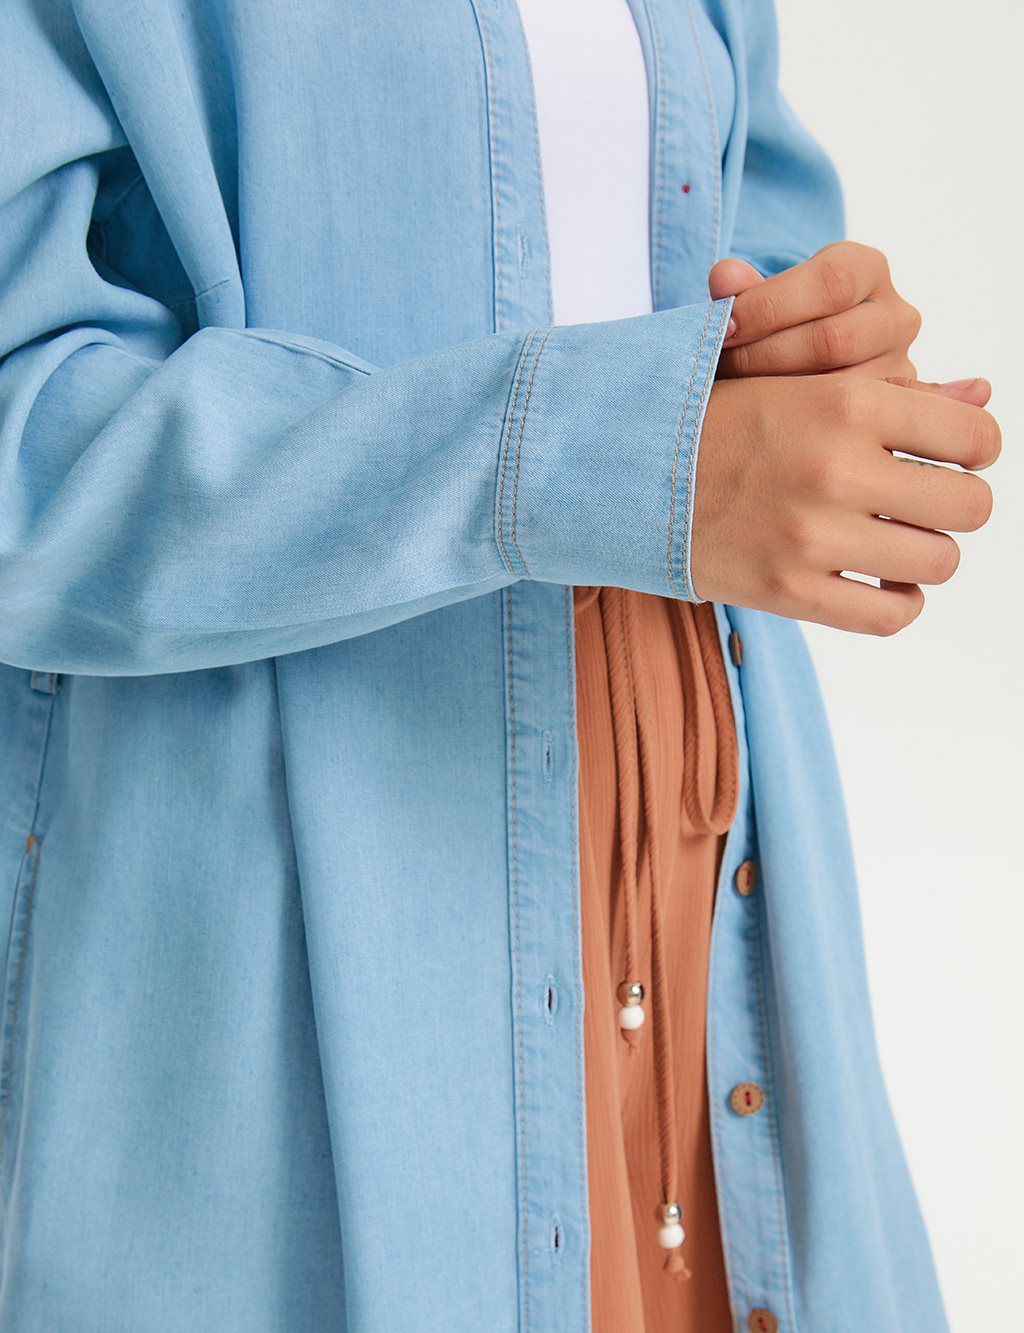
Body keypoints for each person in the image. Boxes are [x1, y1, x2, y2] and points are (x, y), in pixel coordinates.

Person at [0, 1, 998, 1331]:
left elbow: (750, 236)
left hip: (708, 846)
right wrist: (583, 449)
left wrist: (821, 359)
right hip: (303, 906)